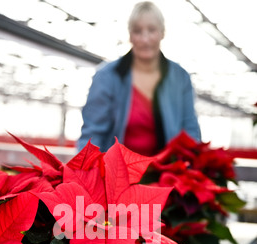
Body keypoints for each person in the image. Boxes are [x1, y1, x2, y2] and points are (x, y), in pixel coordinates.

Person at [77, 1, 201, 155]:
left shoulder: (180, 78)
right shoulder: (107, 76)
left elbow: (190, 131)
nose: (145, 39)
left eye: (152, 30)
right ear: (130, 35)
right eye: (137, 31)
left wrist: (189, 169)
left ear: (163, 33)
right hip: (116, 174)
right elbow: (92, 134)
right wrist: (86, 170)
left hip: (165, 174)